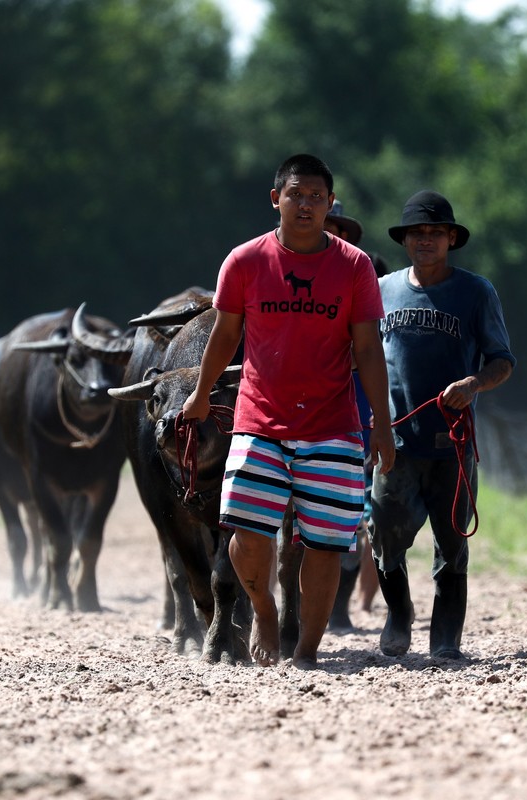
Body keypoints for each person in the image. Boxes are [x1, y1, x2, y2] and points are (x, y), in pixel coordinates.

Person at [182, 154, 395, 669]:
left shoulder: (354, 267)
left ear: (330, 204)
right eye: (296, 194)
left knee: (324, 544)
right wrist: (201, 393)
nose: (306, 205)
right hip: (259, 422)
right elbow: (225, 333)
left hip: (333, 427)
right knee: (246, 539)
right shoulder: (245, 261)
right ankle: (264, 609)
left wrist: (382, 426)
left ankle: (306, 651)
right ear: (276, 198)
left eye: (317, 197)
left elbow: (367, 350)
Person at [371, 189, 515, 660]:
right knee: (385, 533)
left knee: (452, 541)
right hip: (396, 440)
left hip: (452, 443)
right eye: (417, 232)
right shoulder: (384, 290)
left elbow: (502, 361)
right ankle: (398, 614)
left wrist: (473, 384)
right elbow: (365, 358)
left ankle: (446, 638)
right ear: (405, 240)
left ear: (452, 238)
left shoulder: (476, 292)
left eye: (435, 232)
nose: (426, 240)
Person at [322, 200, 382, 629]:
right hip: (290, 414)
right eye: (329, 226)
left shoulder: (367, 280)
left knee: (349, 519)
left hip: (354, 415)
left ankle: (339, 607)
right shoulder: (274, 274)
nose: (334, 234)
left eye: (339, 227)